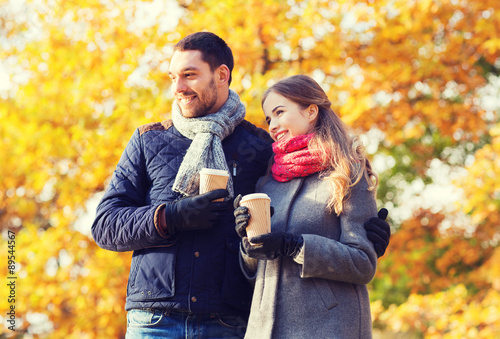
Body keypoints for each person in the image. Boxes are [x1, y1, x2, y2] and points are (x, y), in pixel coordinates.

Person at [91, 32, 390, 339]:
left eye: (189, 75)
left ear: (222, 75)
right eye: (173, 77)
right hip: (154, 320)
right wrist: (171, 216)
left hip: (230, 323)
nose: (178, 87)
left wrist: (367, 235)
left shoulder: (261, 148)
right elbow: (104, 225)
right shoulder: (149, 140)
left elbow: (304, 203)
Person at [234, 74, 384, 338]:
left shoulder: (347, 173)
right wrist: (249, 246)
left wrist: (297, 246)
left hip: (328, 327)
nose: (273, 125)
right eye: (269, 118)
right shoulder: (267, 182)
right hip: (264, 328)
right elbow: (255, 270)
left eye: (280, 112)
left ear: (311, 110)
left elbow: (363, 263)